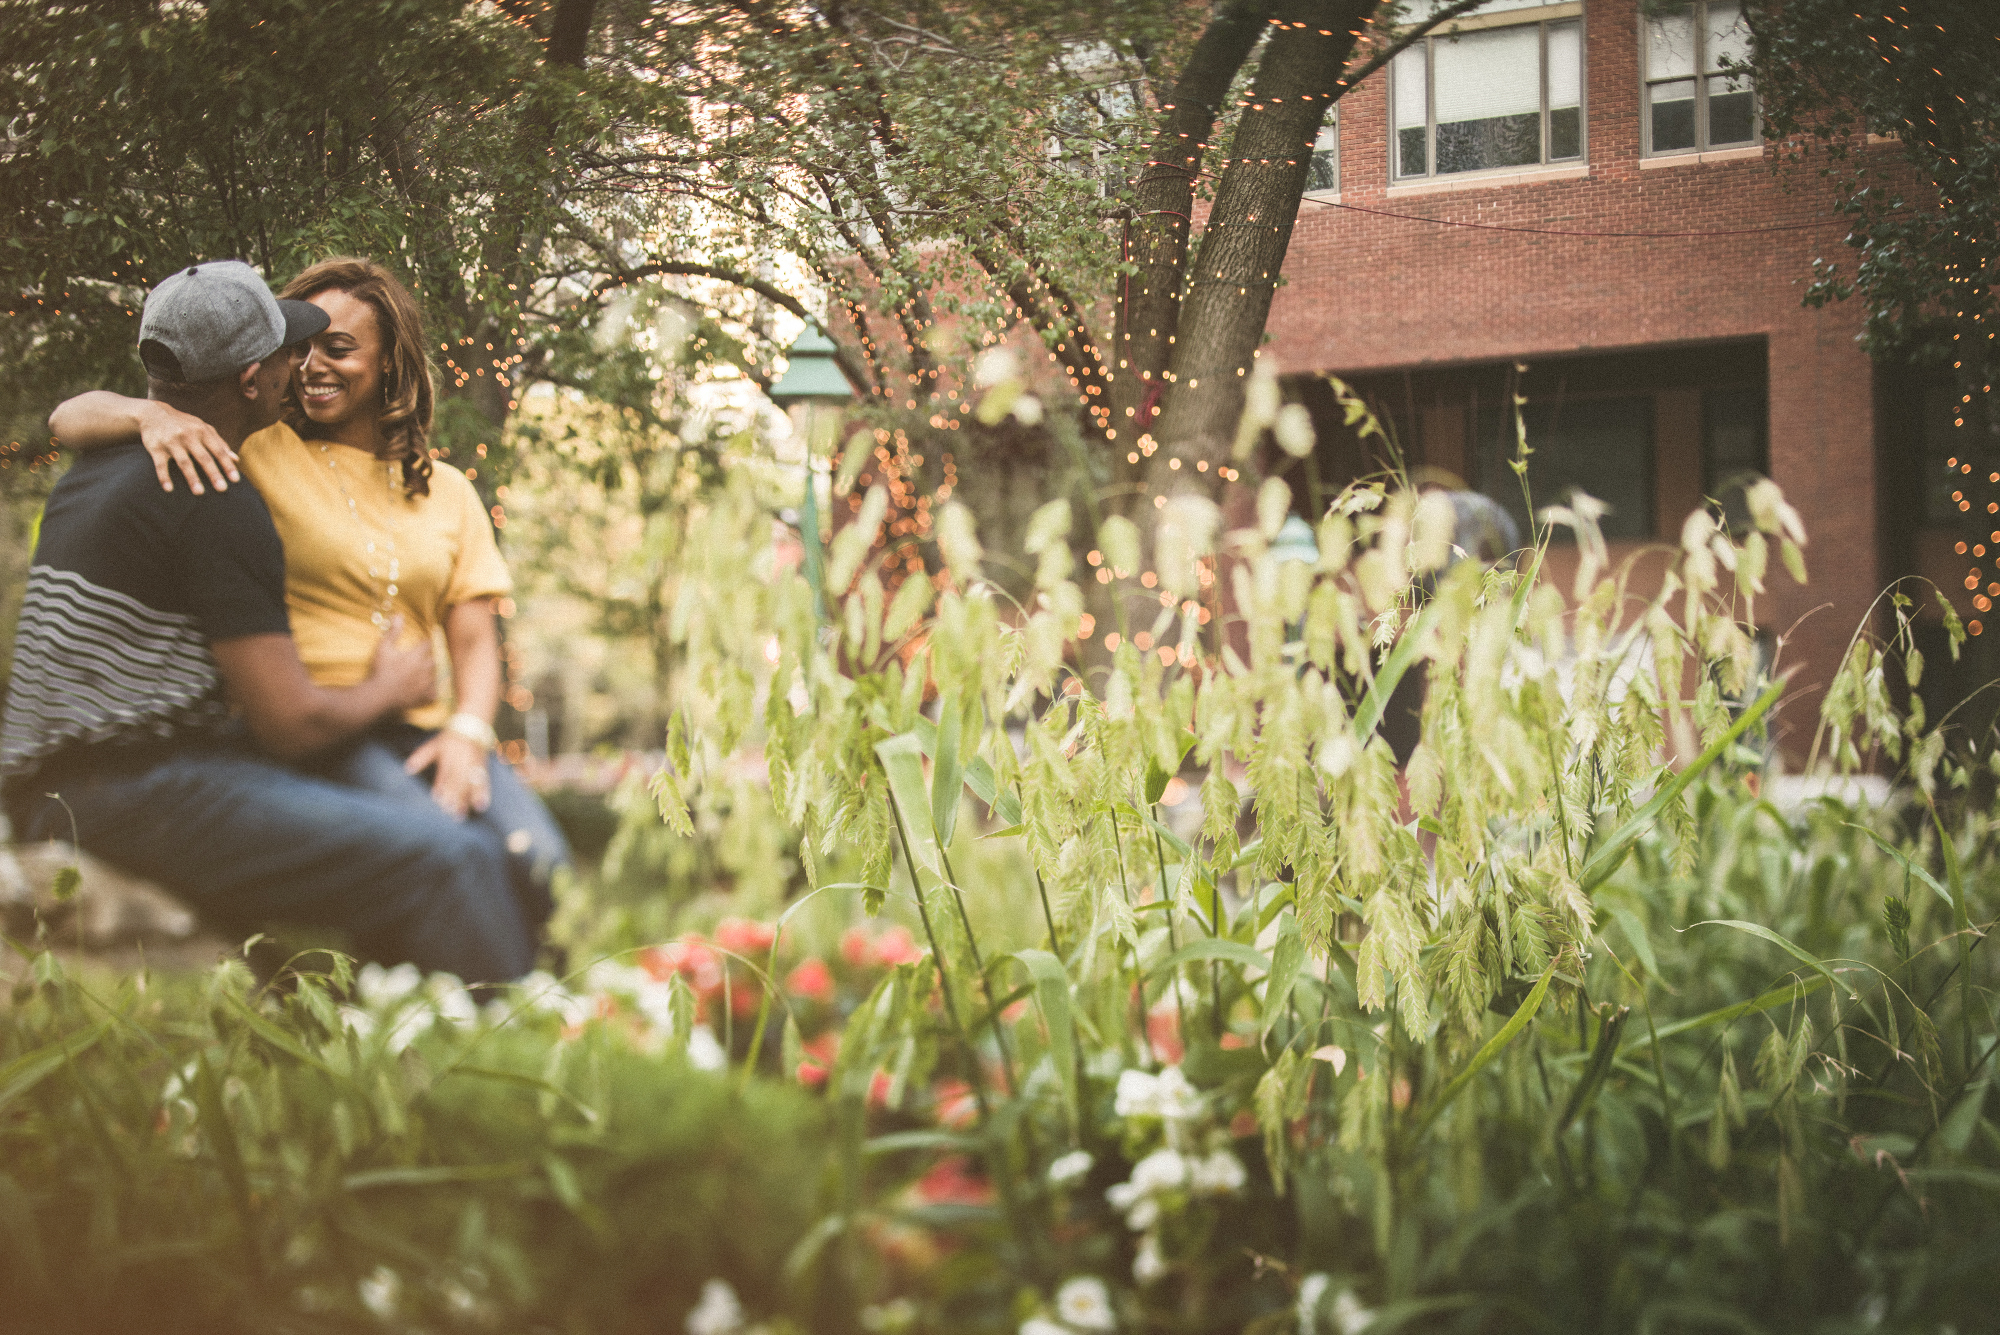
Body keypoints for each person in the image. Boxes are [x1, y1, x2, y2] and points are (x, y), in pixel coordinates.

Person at [6, 260, 541, 982]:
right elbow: (288, 725)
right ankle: (513, 1049)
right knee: (449, 856)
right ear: (253, 379)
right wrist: (389, 687)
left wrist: (146, 412)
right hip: (126, 790)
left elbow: (68, 416)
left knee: (452, 848)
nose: (304, 363)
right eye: (290, 349)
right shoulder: (216, 489)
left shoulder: (104, 460)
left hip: (67, 781)